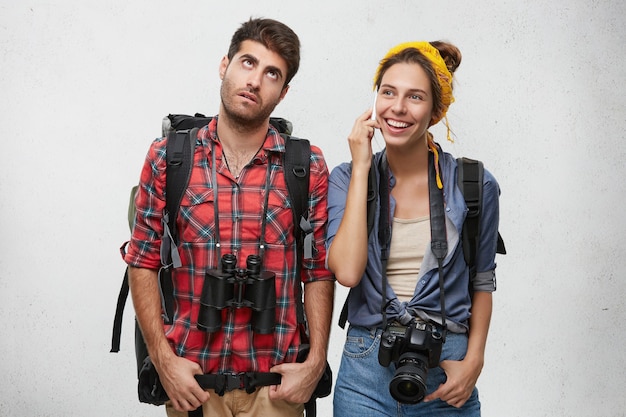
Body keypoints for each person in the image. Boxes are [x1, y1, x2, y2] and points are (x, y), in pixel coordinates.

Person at [124, 17, 334, 417]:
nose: (255, 81)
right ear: (225, 65)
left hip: (277, 387)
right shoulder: (169, 157)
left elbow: (318, 270)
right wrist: (163, 362)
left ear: (283, 91)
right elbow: (142, 261)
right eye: (247, 63)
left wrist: (315, 362)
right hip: (193, 385)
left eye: (272, 73)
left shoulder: (306, 166)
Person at [326, 41, 501, 416]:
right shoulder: (346, 178)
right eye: (388, 92)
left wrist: (475, 361)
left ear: (435, 112)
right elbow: (347, 271)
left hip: (446, 366)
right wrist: (360, 167)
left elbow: (482, 281)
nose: (398, 107)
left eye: (415, 97)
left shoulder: (474, 184)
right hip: (365, 367)